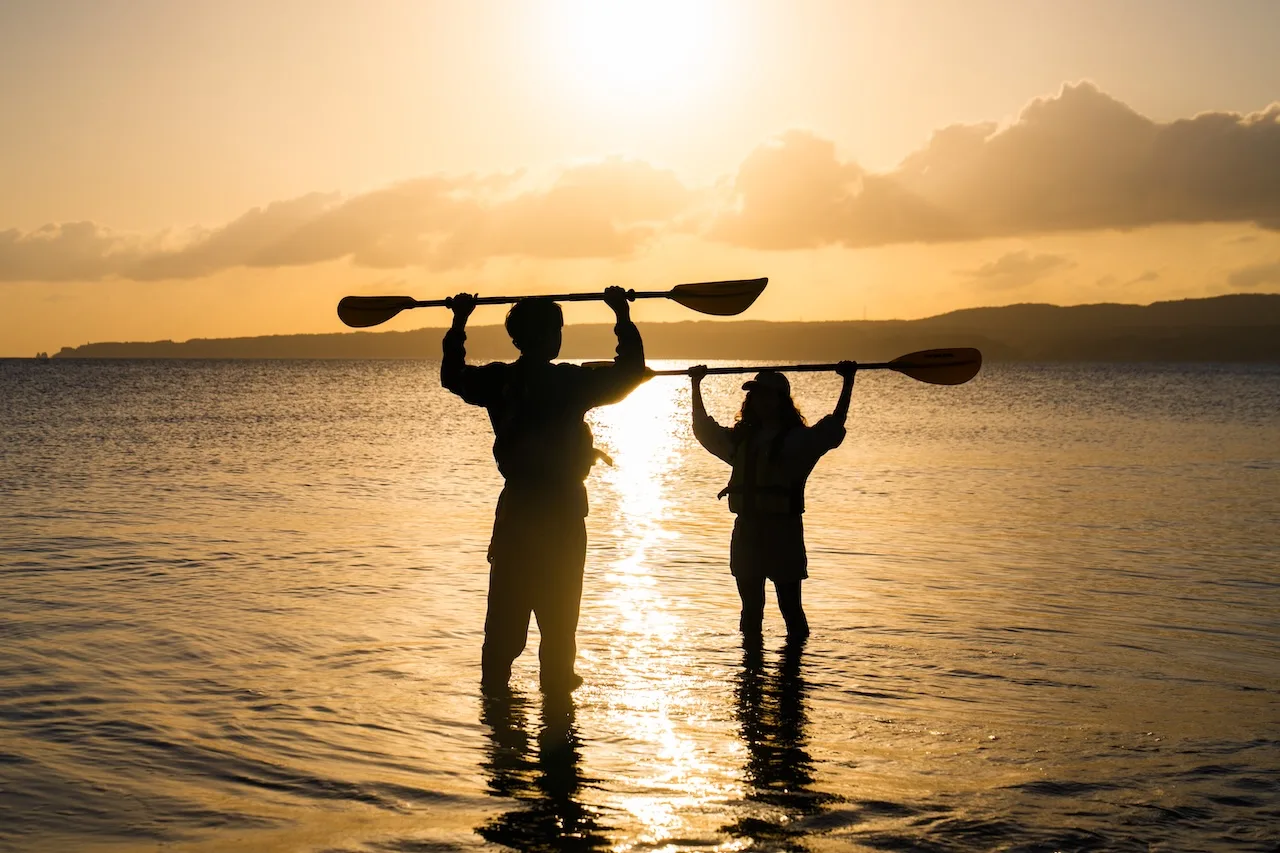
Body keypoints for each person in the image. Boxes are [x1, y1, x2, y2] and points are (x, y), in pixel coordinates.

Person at [441, 286, 645, 693]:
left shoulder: (499, 380)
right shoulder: (569, 382)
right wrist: (621, 315)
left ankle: (497, 712)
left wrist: (460, 320)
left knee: (505, 624)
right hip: (560, 515)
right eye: (556, 330)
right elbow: (630, 373)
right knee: (558, 619)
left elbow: (452, 375)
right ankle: (555, 701)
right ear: (546, 337)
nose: (559, 338)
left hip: (517, 513)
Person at [689, 362, 857, 641]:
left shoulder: (798, 442)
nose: (759, 401)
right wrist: (696, 385)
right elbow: (703, 430)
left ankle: (794, 672)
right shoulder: (741, 440)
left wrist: (848, 382)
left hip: (784, 533)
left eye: (767, 396)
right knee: (750, 610)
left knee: (790, 609)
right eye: (756, 396)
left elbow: (833, 428)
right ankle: (750, 675)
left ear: (781, 401)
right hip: (747, 532)